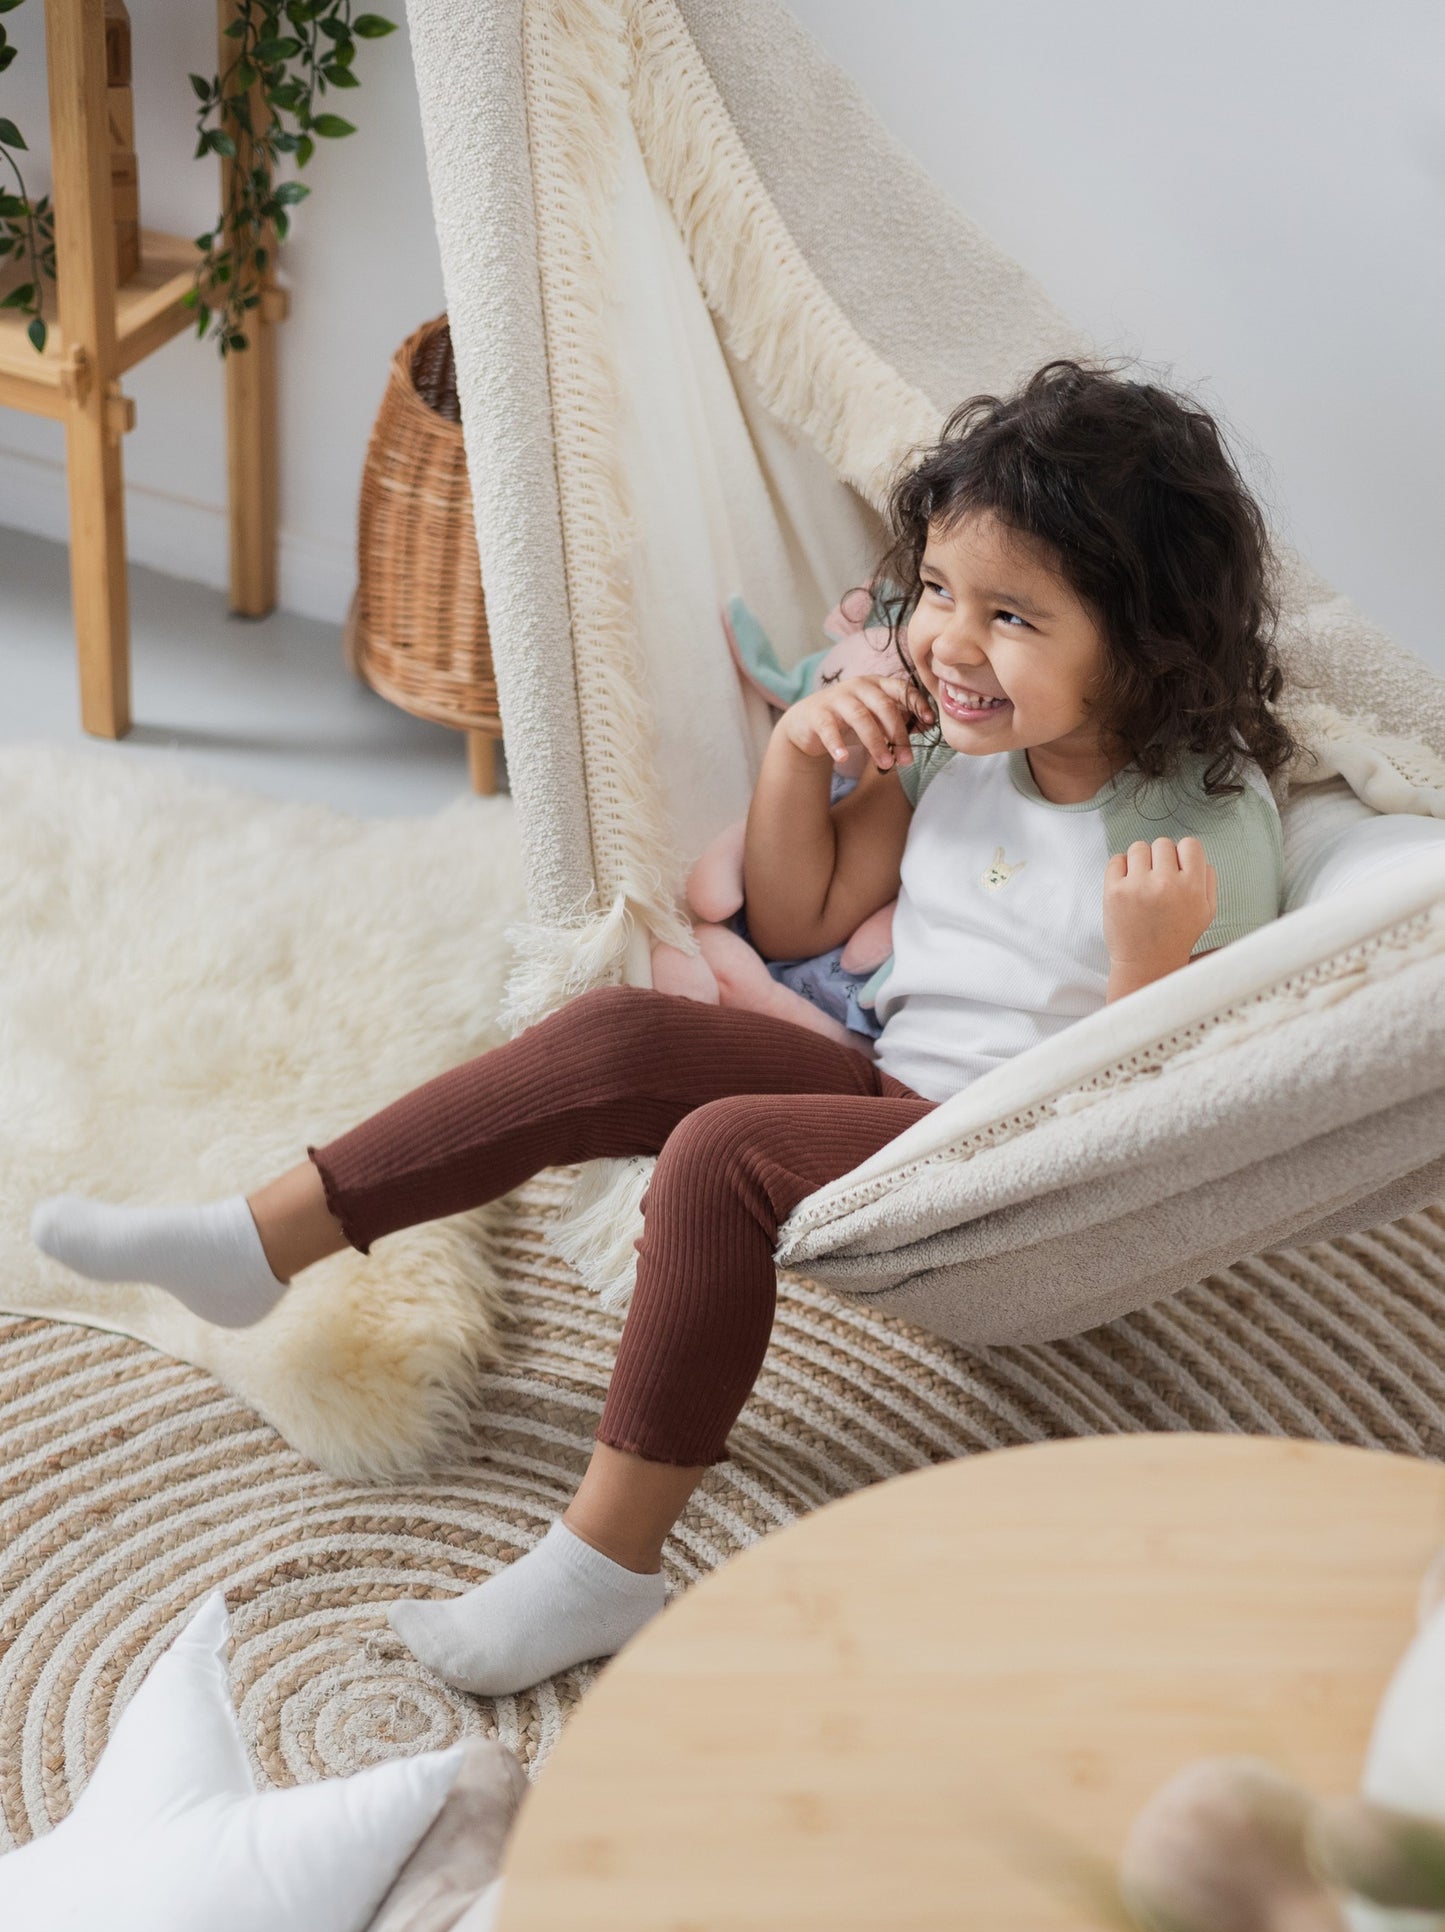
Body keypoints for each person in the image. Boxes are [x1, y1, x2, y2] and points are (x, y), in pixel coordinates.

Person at [29, 357, 1296, 1698]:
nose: (947, 643)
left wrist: (1148, 967)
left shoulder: (1196, 831)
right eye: (934, 593)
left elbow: (1149, 1124)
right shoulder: (951, 748)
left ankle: (604, 1565)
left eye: (1010, 617)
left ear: (1141, 636)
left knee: (720, 1156)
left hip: (1000, 1156)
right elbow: (804, 920)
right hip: (881, 1090)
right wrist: (798, 756)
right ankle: (260, 1240)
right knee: (620, 1035)